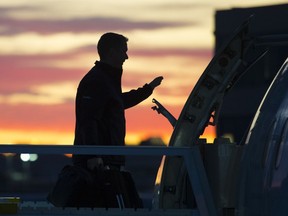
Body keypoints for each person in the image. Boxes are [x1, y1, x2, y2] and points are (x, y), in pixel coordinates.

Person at [72, 32, 163, 171]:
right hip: (99, 163)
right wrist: (92, 155)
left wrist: (148, 89)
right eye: (124, 51)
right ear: (112, 52)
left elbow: (117, 102)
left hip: (108, 159)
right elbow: (88, 120)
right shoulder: (96, 81)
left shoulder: (105, 79)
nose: (126, 57)